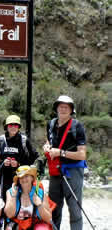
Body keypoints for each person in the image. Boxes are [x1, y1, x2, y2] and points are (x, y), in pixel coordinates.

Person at [43, 95, 87, 230]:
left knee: (74, 208)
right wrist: (46, 147)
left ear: (71, 110)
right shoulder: (51, 124)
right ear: (56, 108)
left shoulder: (77, 126)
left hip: (72, 172)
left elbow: (82, 155)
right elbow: (49, 141)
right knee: (54, 207)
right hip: (55, 170)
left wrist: (60, 152)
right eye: (60, 106)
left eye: (66, 107)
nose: (63, 109)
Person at [0, 115, 38, 202]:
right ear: (6, 127)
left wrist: (19, 164)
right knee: (6, 199)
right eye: (10, 125)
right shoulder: (1, 140)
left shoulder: (24, 140)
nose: (13, 127)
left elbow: (33, 157)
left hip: (22, 176)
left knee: (22, 198)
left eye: (15, 125)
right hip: (5, 176)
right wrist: (3, 163)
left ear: (19, 127)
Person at [4, 165, 53, 230]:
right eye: (21, 177)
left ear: (32, 178)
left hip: (36, 223)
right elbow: (9, 215)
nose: (24, 179)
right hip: (17, 223)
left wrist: (39, 205)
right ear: (18, 180)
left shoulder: (40, 192)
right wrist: (14, 196)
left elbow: (48, 219)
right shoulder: (10, 192)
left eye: (26, 176)